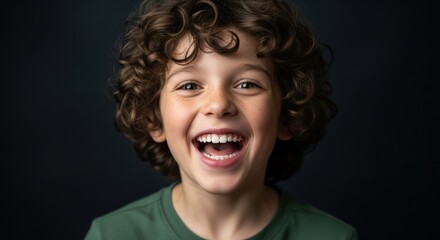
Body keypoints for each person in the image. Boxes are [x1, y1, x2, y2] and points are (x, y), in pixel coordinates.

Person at [85, 0, 358, 239]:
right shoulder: (111, 235)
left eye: (248, 84)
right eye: (190, 86)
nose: (218, 105)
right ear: (153, 119)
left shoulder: (334, 236)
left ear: (286, 115)